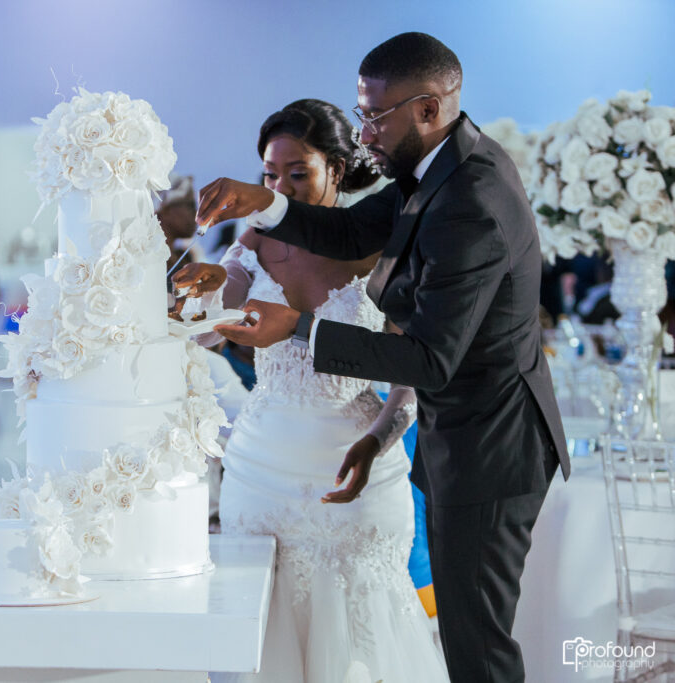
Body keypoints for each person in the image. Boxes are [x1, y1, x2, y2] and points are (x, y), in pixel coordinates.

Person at [192, 33, 569, 682]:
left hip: (492, 450)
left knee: (477, 648)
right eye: (359, 112)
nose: (363, 133)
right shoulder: (438, 166)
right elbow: (350, 229)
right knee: (466, 634)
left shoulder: (469, 201)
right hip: (465, 440)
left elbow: (427, 360)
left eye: (375, 116)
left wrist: (301, 327)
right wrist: (265, 204)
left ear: (429, 108)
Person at [175, 99, 447, 683]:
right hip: (260, 469)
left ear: (338, 170)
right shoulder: (254, 239)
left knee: (361, 632)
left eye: (298, 174)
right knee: (265, 625)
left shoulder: (381, 247)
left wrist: (379, 440)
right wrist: (200, 296)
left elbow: (412, 372)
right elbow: (209, 320)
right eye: (270, 176)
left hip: (354, 465)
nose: (281, 190)